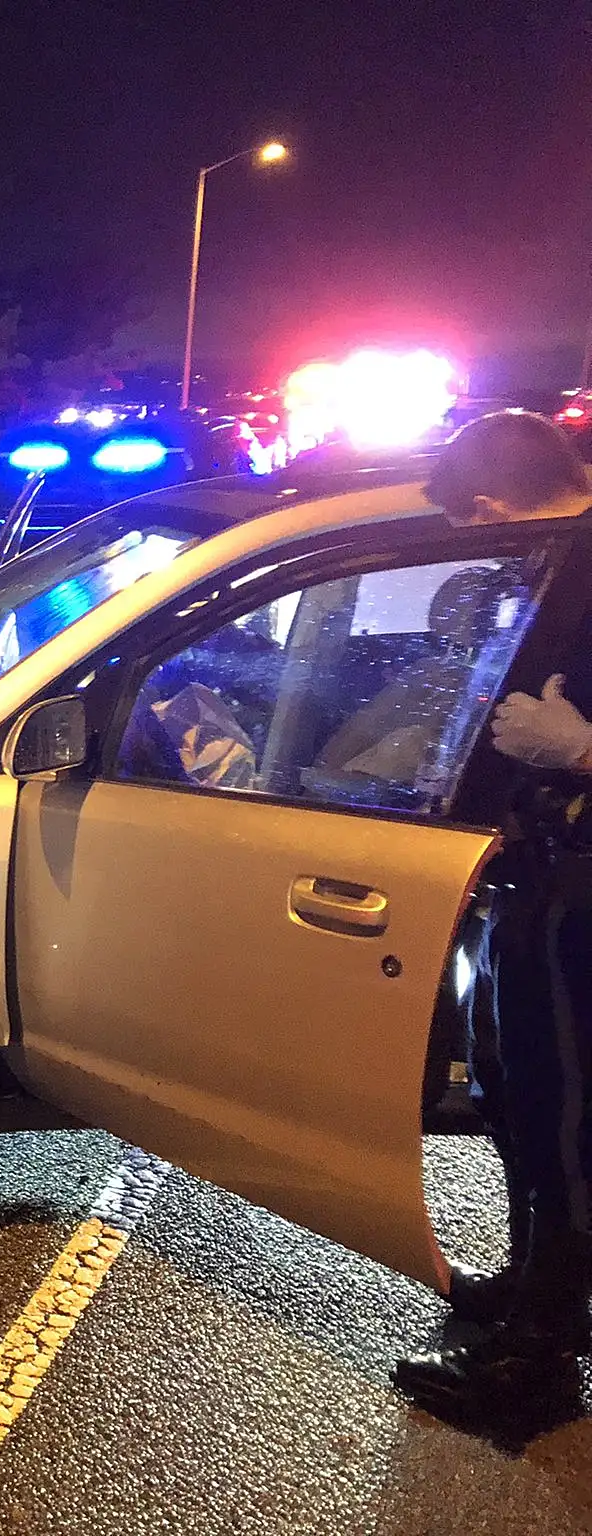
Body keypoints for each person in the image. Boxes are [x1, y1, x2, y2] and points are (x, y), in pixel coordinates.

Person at [393, 410, 592, 1425]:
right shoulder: (548, 566)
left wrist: (579, 751)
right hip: (532, 883)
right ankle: (537, 1288)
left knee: (565, 1125)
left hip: (582, 897)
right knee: (517, 1102)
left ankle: (536, 1365)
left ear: (482, 506)